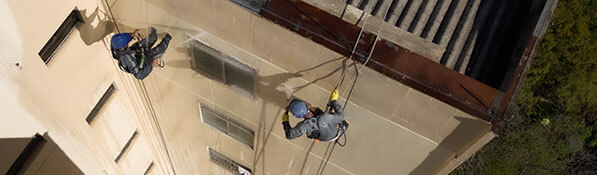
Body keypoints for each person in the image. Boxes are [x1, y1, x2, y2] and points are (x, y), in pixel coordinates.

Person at [281, 89, 348, 142]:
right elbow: (341, 115)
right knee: (343, 122)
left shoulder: (304, 126)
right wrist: (334, 101)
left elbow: (289, 135)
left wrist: (285, 121)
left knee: (318, 115)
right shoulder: (325, 116)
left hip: (327, 138)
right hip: (337, 131)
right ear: (306, 106)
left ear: (297, 116)